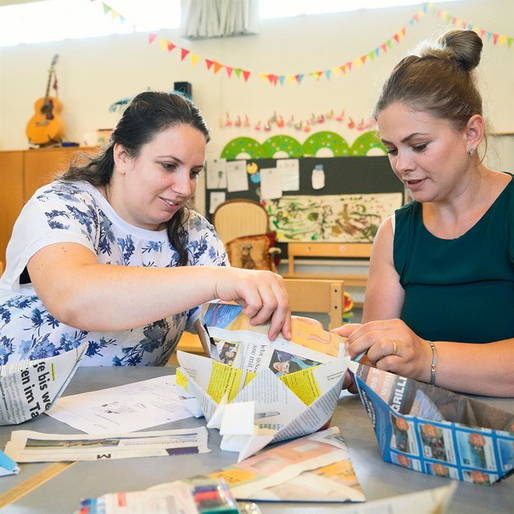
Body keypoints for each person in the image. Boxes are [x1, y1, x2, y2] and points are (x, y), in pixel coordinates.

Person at [0, 91, 290, 366]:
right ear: (123, 156)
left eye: (194, 172)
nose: (185, 188)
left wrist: (309, 352)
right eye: (167, 166)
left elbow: (228, 341)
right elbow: (73, 298)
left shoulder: (195, 234)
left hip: (130, 410)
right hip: (28, 411)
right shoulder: (61, 204)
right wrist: (216, 279)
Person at [336, 30, 514, 396]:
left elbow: (415, 358)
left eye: (419, 146)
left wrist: (425, 358)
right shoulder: (396, 233)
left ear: (472, 133)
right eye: (391, 149)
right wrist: (348, 360)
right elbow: (378, 365)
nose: (403, 165)